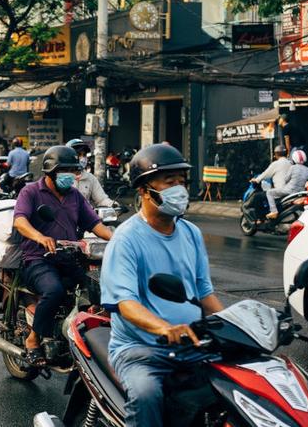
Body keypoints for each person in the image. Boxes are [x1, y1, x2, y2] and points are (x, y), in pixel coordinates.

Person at [100, 143, 225, 427]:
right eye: (170, 183)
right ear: (144, 190)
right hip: (140, 349)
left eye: (182, 182)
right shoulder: (126, 239)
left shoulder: (191, 232)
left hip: (193, 342)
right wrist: (165, 328)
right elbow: (126, 304)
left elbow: (205, 293)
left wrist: (235, 327)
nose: (179, 189)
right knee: (146, 395)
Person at [13, 145, 113, 365]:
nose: (70, 176)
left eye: (72, 170)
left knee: (98, 288)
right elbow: (20, 221)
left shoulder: (75, 196)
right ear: (50, 171)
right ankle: (33, 339)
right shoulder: (30, 192)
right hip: (37, 259)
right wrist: (40, 237)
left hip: (67, 257)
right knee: (54, 290)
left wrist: (118, 240)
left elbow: (95, 224)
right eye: (64, 170)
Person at [266, 149, 308, 219]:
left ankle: (274, 211)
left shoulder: (292, 168)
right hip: (300, 192)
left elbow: (286, 179)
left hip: (289, 191)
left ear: (294, 159)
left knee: (269, 192)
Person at [246, 145, 291, 220]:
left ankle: (260, 219)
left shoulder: (276, 164)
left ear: (276, 154)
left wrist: (256, 180)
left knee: (257, 197)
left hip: (280, 192)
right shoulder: (290, 163)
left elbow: (265, 174)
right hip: (290, 191)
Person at [66, 139, 114, 207]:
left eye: (84, 155)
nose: (82, 158)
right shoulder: (62, 179)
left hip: (86, 216)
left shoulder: (90, 178)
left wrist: (113, 205)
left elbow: (101, 199)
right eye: (78, 154)